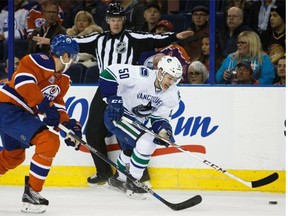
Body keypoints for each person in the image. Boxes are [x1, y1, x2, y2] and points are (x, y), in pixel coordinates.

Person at [73, 2, 193, 187]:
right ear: (107, 21)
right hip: (106, 87)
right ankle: (104, 172)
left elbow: (154, 38)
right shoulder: (98, 39)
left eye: (119, 19)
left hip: (128, 90)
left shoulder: (132, 37)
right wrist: (52, 43)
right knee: (92, 132)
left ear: (123, 20)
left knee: (130, 131)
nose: (115, 23)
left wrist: (175, 37)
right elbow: (76, 43)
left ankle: (140, 176)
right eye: (112, 19)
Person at [0, 34, 82, 213]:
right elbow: (23, 82)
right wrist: (43, 103)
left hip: (21, 115)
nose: (74, 61)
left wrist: (69, 127)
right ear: (66, 55)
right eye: (73, 57)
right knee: (49, 141)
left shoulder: (63, 80)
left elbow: (58, 106)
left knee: (14, 156)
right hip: (8, 108)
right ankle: (32, 193)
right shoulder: (38, 60)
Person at [99, 56, 182, 198]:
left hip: (136, 121)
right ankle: (134, 181)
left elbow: (159, 118)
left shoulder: (172, 95)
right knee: (146, 143)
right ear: (161, 72)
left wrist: (163, 131)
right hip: (117, 116)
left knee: (130, 150)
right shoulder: (140, 75)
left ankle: (118, 180)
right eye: (170, 78)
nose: (172, 82)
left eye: (175, 79)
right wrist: (113, 99)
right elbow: (108, 73)